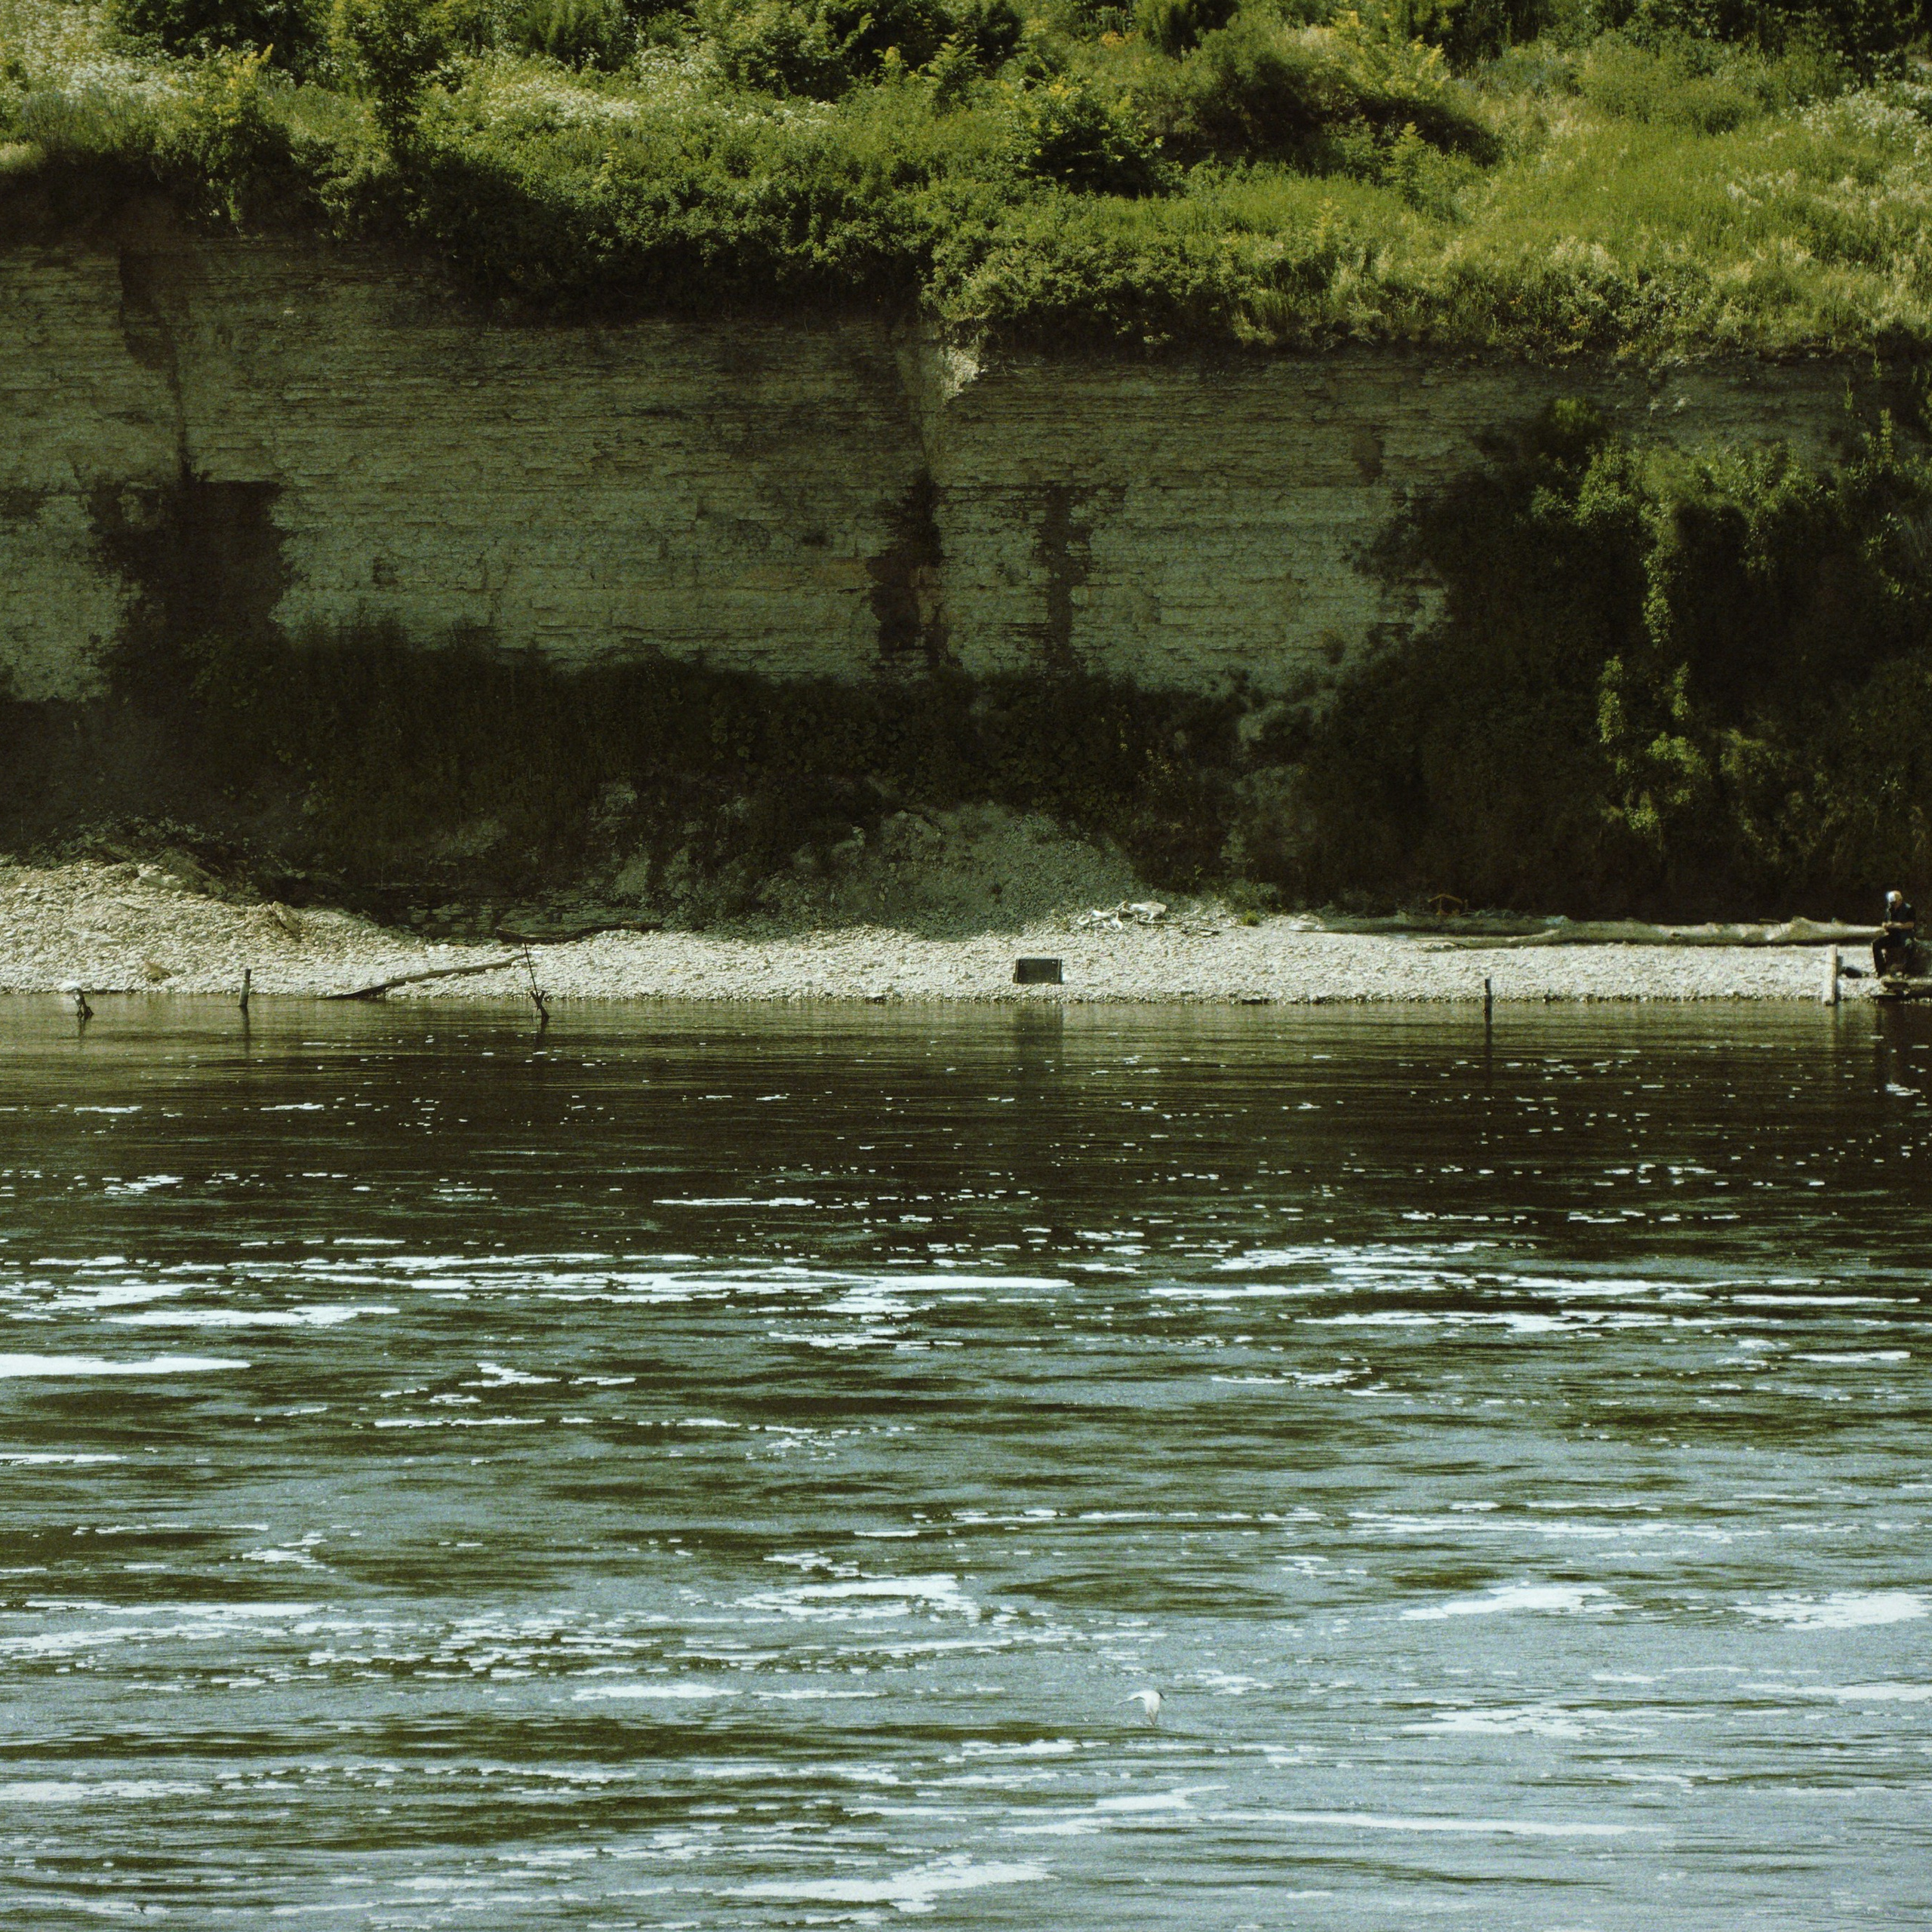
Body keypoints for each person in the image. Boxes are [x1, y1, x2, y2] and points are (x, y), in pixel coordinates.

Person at [1874, 890, 1918, 977]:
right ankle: (1881, 969)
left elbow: (1911, 925)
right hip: (1893, 936)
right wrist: (1886, 925)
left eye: (1894, 902)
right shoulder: (1889, 909)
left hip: (1905, 935)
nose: (1893, 904)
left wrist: (1897, 926)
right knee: (1876, 944)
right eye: (1891, 903)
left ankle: (1907, 971)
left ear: (1900, 900)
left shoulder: (1908, 909)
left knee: (1910, 946)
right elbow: (1884, 922)